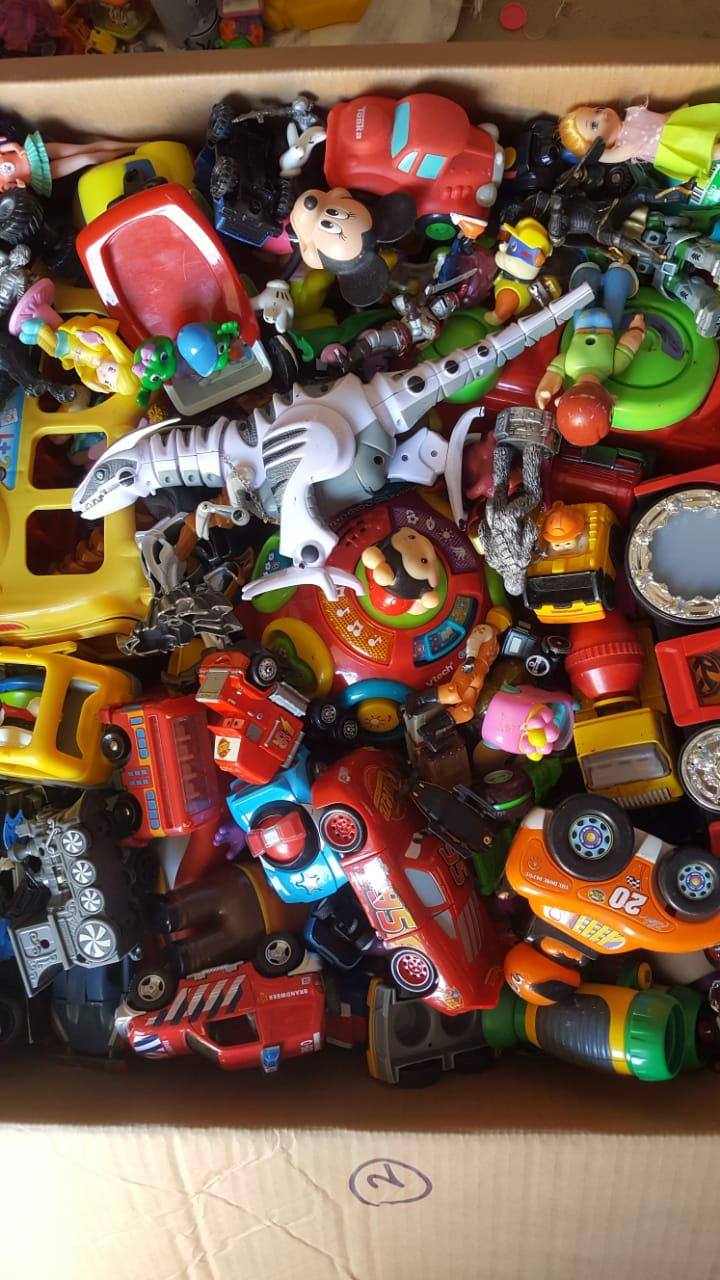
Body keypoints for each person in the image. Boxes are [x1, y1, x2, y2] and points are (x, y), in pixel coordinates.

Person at [535, 261, 645, 446]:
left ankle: (597, 275)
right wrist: (638, 329)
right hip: (607, 321)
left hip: (581, 323)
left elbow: (554, 372)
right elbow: (630, 342)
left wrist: (545, 389)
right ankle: (614, 277)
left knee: (583, 294)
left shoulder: (572, 366)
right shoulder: (611, 366)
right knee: (615, 296)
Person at [559, 101, 720, 185]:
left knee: (708, 125)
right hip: (670, 147)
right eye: (594, 125)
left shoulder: (631, 116)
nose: (603, 115)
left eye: (597, 110)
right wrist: (594, 153)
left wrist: (675, 113)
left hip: (675, 126)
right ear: (597, 146)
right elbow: (603, 156)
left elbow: (657, 119)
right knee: (707, 151)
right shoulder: (623, 145)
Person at [19, 315, 140, 396]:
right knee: (55, 344)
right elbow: (95, 339)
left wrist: (94, 384)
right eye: (111, 370)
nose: (104, 376)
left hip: (68, 353)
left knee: (53, 352)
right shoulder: (102, 349)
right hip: (70, 340)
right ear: (119, 358)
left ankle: (36, 338)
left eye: (108, 382)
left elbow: (85, 376)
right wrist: (87, 337)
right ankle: (40, 327)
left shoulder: (94, 366)